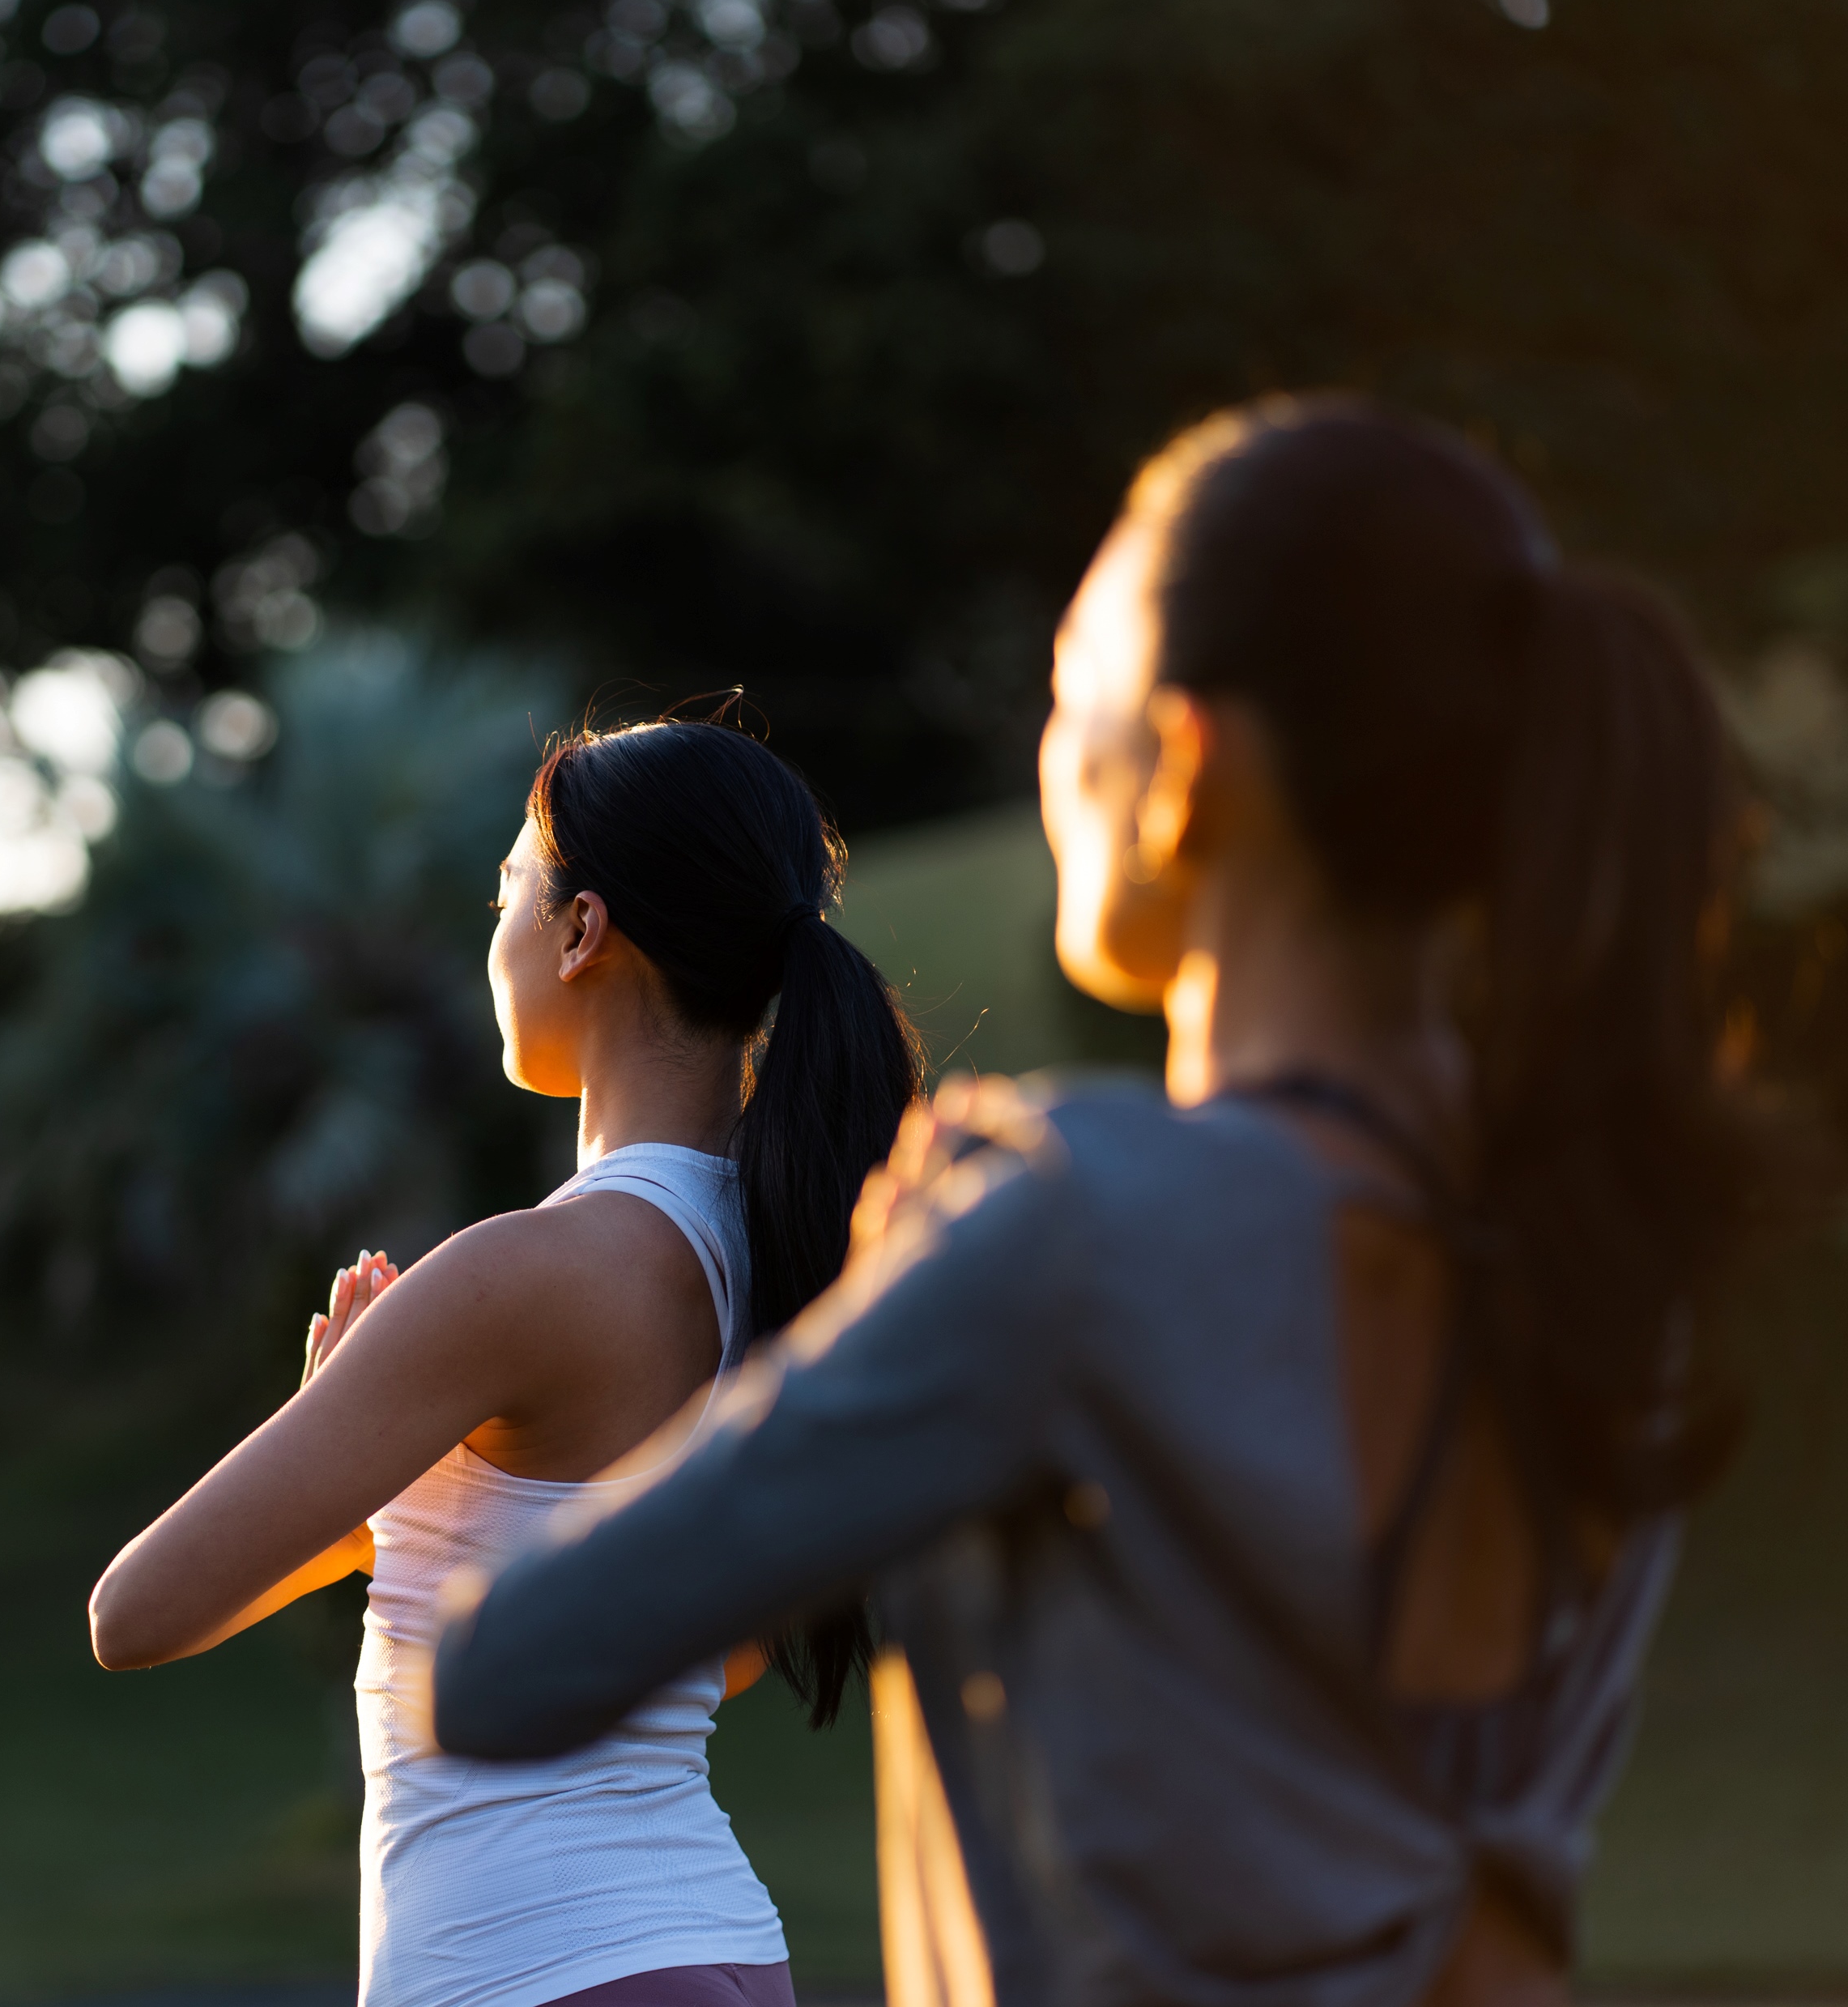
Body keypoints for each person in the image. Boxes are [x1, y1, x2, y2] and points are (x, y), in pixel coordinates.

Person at [432, 398, 1762, 2007]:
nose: (1049, 754)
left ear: (1186, 767)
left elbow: (505, 1665)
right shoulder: (1605, 1261)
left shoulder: (1074, 1220)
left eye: (1070, 697)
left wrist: (902, 1291)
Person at [88, 715, 925, 2007]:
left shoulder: (517, 1276)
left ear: (582, 932)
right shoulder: (774, 1264)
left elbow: (138, 1611)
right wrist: (402, 1492)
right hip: (718, 1951)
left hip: (538, 1965)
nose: (495, 937)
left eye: (507, 894)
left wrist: (353, 1433)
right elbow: (728, 1653)